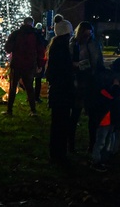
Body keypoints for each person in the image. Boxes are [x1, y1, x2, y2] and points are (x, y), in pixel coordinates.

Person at [70, 21, 105, 153]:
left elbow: (98, 61)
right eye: (86, 31)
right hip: (80, 81)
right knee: (76, 114)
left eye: (90, 32)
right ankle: (72, 144)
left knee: (92, 115)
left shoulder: (92, 43)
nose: (89, 34)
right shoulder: (75, 44)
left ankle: (92, 144)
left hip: (91, 81)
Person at [3, 17, 45, 116]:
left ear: (23, 23)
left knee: (13, 87)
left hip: (16, 64)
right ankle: (33, 110)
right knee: (29, 87)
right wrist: (40, 64)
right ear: (32, 24)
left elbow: (8, 48)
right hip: (29, 65)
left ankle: (9, 110)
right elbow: (40, 50)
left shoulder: (16, 34)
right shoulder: (35, 35)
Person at [44, 30, 74, 164]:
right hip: (63, 92)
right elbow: (64, 72)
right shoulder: (63, 51)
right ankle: (60, 154)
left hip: (57, 93)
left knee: (57, 124)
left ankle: (55, 152)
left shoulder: (54, 49)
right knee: (61, 124)